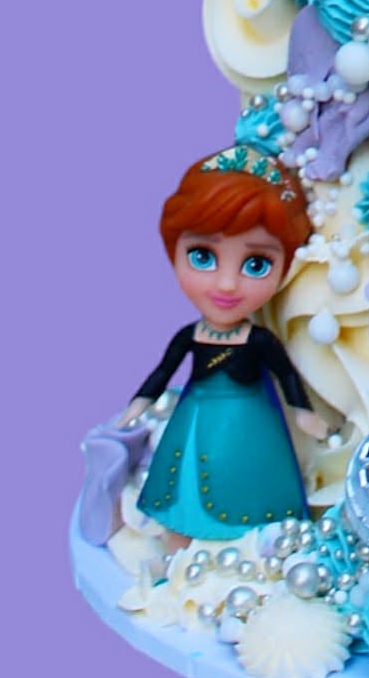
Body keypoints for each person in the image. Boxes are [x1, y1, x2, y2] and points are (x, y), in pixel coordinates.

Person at [121, 145, 326, 542]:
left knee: (250, 484)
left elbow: (285, 374)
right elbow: (163, 371)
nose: (227, 284)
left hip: (251, 423)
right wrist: (139, 403)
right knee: (184, 486)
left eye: (256, 264)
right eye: (202, 256)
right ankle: (181, 546)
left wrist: (303, 413)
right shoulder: (190, 336)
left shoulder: (258, 339)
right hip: (195, 418)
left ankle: (253, 548)